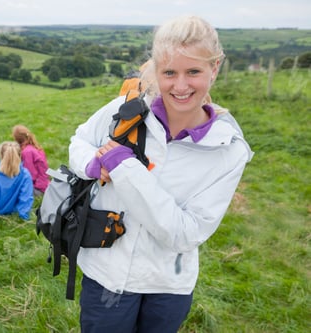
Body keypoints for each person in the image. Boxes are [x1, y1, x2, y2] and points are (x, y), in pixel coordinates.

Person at [68, 16, 253, 333]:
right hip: (108, 275)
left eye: (193, 71)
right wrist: (93, 164)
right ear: (156, 70)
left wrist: (122, 166)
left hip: (169, 285)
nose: (180, 86)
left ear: (215, 68)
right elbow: (80, 141)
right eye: (169, 73)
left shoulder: (229, 150)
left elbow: (185, 233)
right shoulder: (125, 110)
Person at [12, 124, 50, 196]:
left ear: (16, 139)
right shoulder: (36, 147)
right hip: (45, 185)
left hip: (38, 189)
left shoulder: (27, 152)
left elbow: (31, 176)